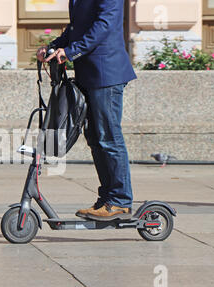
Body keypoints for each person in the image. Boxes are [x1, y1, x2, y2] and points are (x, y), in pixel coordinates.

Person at [36, 0, 136, 221]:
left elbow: (103, 25)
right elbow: (76, 29)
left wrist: (70, 52)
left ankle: (120, 201)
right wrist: (53, 46)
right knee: (95, 137)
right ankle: (108, 198)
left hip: (106, 73)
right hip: (89, 74)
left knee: (108, 136)